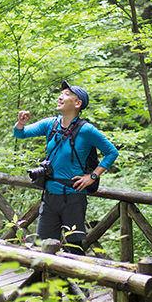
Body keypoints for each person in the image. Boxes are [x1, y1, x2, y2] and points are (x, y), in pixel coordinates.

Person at [14, 81, 118, 253]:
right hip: (49, 196)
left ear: (77, 103)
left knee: (74, 249)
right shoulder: (51, 124)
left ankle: (78, 272)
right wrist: (20, 123)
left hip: (73, 197)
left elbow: (112, 152)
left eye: (67, 94)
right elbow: (20, 133)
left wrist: (92, 176)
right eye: (61, 93)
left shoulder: (87, 130)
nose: (60, 96)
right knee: (42, 248)